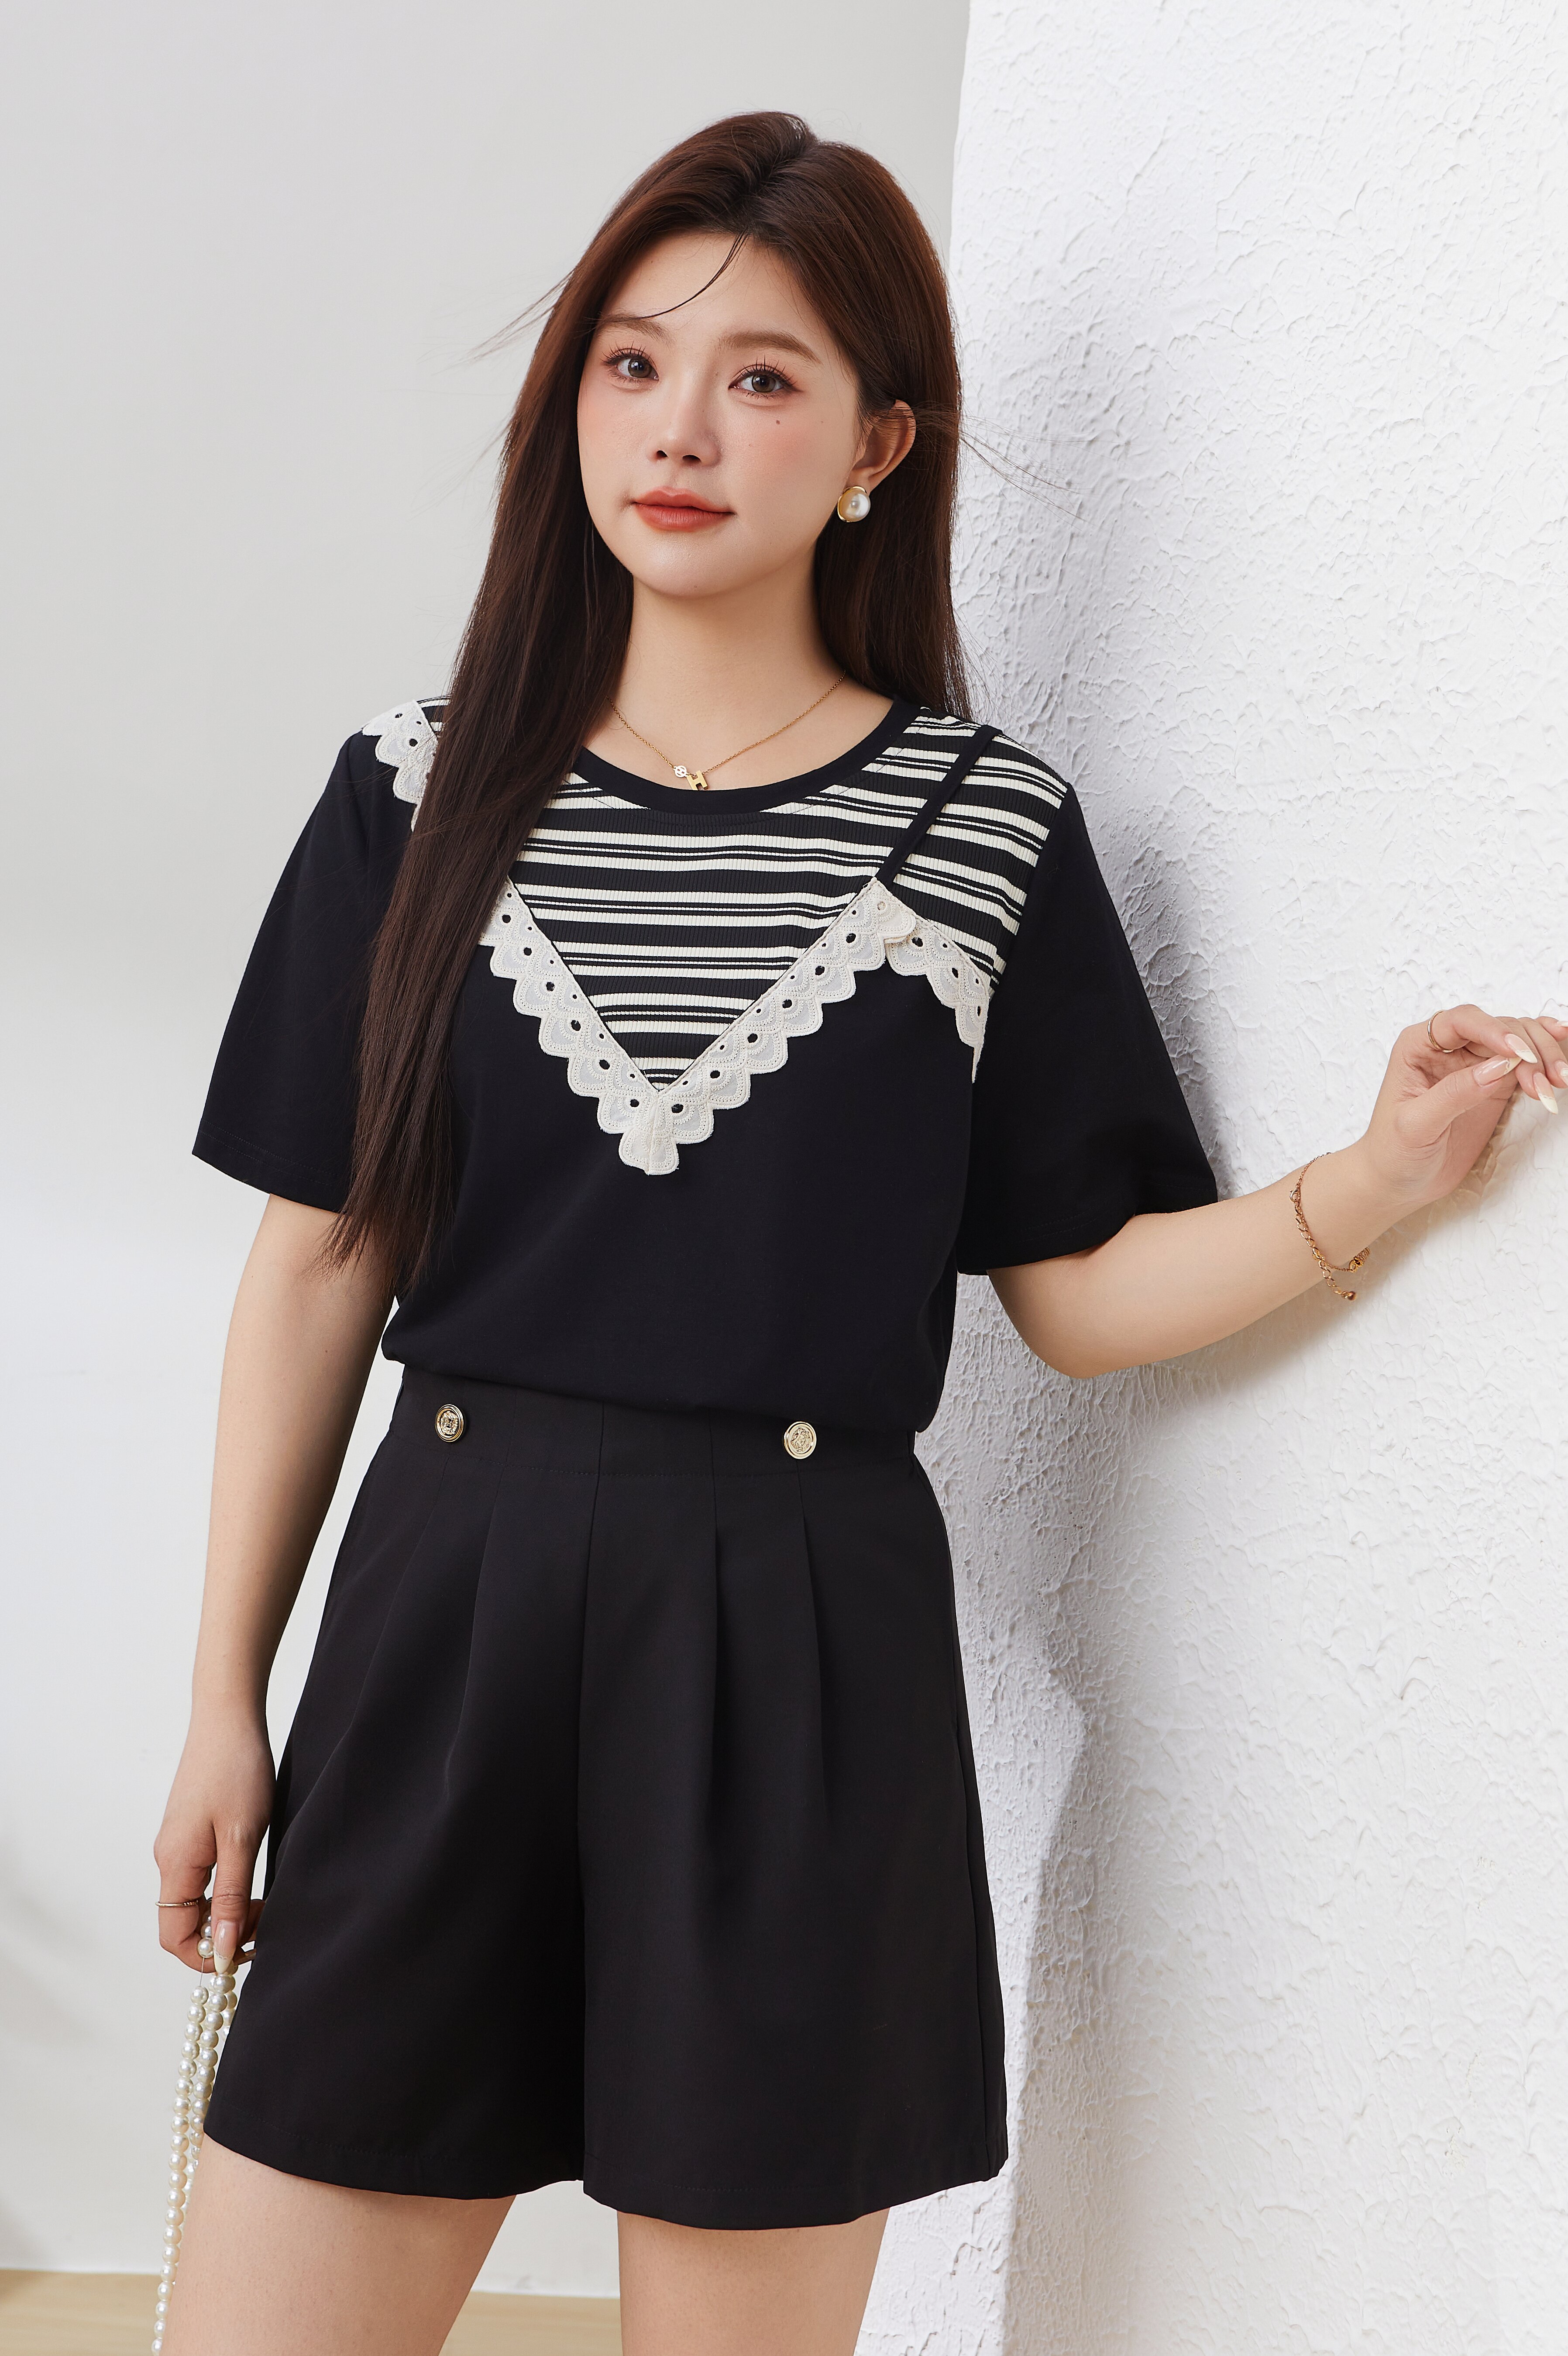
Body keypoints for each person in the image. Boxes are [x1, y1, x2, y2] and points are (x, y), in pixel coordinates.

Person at [152, 110, 1564, 2356]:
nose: (679, 431)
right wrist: (226, 1699)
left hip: (799, 1663)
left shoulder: (984, 828)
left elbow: (1080, 1291)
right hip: (438, 1622)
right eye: (632, 364)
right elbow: (321, 1263)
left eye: (762, 378)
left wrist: (1371, 1181)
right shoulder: (409, 798)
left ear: (877, 446)